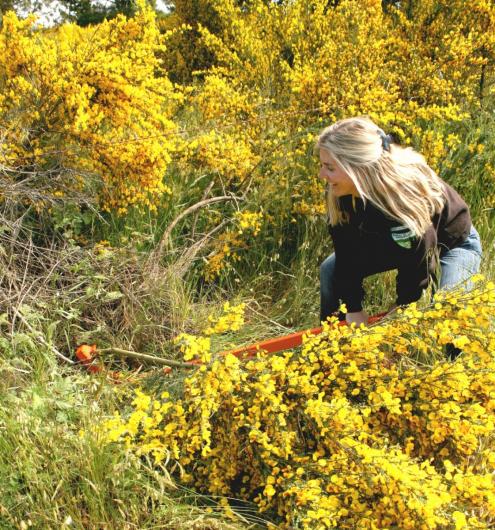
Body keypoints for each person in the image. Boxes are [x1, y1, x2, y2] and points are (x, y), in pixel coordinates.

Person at [317, 117, 483, 327]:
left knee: (449, 309)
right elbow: (346, 250)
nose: (321, 174)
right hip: (394, 241)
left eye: (330, 167)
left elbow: (418, 259)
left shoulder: (402, 199)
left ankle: (454, 359)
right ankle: (332, 344)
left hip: (453, 242)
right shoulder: (340, 190)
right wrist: (353, 308)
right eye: (322, 165)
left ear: (359, 168)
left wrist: (403, 305)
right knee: (330, 271)